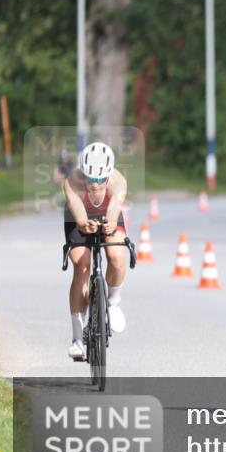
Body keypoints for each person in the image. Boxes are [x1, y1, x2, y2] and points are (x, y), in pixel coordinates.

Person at [62, 142, 130, 361]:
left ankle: (113, 301)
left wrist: (109, 224)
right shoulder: (72, 181)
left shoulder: (118, 182)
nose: (95, 184)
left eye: (100, 180)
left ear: (108, 175)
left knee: (117, 256)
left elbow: (113, 210)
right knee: (81, 265)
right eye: (90, 179)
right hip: (77, 217)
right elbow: (79, 212)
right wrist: (83, 224)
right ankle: (77, 340)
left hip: (107, 214)